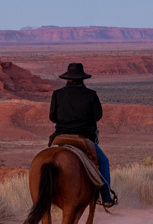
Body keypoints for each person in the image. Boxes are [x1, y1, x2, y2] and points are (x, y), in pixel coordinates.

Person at [49, 62, 117, 207]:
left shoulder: (57, 94)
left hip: (61, 136)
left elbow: (52, 117)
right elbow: (97, 116)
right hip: (84, 138)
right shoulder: (91, 94)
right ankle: (106, 197)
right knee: (103, 161)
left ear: (67, 78)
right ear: (82, 78)